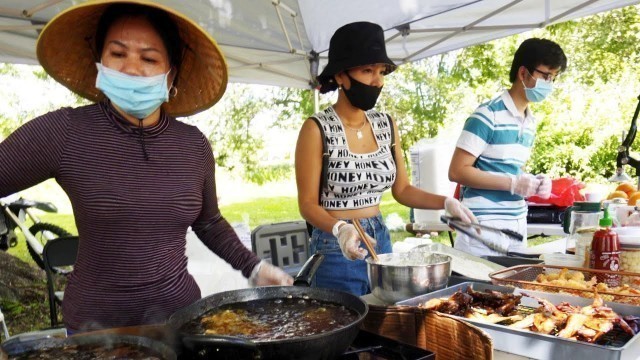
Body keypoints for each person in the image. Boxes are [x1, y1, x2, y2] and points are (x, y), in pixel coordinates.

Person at [0, 0, 292, 333]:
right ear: (100, 62)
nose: (132, 68)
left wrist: (254, 267)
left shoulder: (193, 145)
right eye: (118, 54)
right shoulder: (66, 132)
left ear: (172, 74)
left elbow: (208, 222)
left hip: (178, 322)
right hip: (97, 331)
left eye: (150, 58)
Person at [295, 21, 476, 296]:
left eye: (381, 71)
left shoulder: (386, 124)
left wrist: (446, 202)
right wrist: (340, 228)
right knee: (347, 329)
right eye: (367, 70)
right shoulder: (316, 128)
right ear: (341, 76)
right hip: (336, 244)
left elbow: (401, 190)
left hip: (380, 238)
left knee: (384, 320)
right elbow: (307, 204)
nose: (377, 81)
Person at [448, 38, 567, 257]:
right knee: (481, 288)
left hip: (517, 221)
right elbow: (457, 171)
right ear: (523, 73)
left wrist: (533, 181)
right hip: (483, 224)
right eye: (545, 76)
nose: (549, 84)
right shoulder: (487, 115)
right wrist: (512, 183)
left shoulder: (529, 121)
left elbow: (506, 169)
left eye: (554, 78)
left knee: (514, 289)